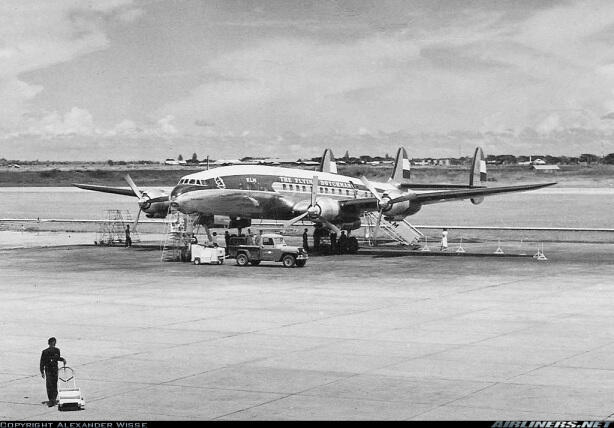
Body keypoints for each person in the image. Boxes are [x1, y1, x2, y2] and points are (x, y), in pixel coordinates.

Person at [40, 337, 66, 407]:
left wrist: (63, 359)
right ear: (49, 343)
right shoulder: (45, 352)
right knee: (50, 385)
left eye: (53, 343)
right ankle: (51, 400)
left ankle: (53, 399)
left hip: (54, 370)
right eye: (52, 343)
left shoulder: (57, 350)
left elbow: (57, 358)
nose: (52, 344)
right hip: (48, 370)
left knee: (54, 384)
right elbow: (42, 362)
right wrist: (42, 371)